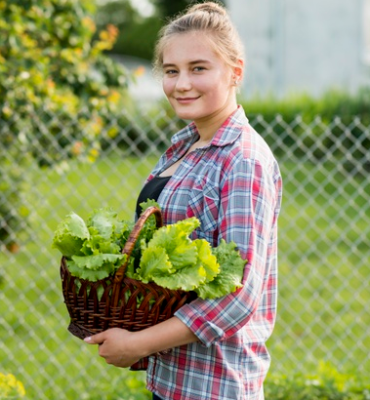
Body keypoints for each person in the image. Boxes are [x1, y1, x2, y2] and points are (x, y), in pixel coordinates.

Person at [84, 2, 283, 399]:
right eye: (171, 71)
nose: (181, 84)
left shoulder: (242, 159)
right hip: (172, 379)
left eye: (198, 68)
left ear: (235, 72)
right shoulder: (185, 146)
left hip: (215, 384)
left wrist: (139, 343)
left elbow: (237, 296)